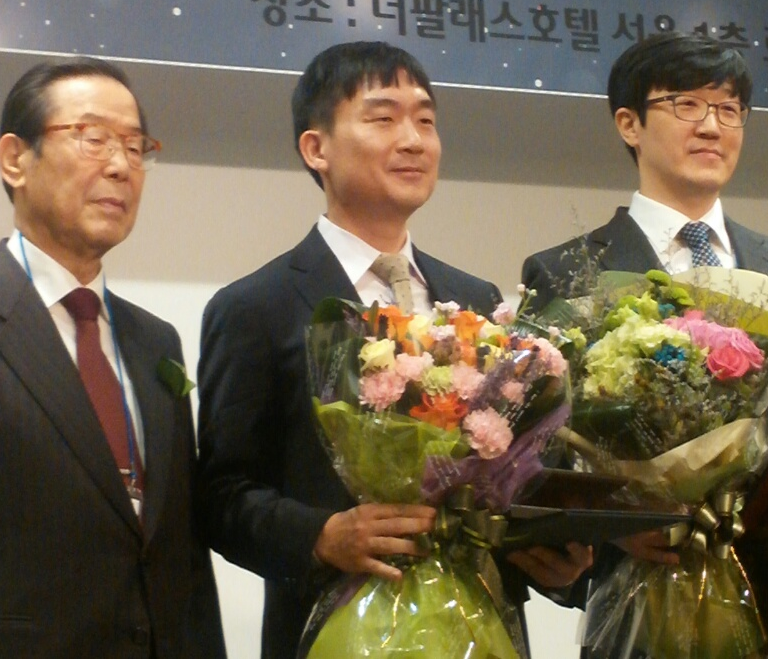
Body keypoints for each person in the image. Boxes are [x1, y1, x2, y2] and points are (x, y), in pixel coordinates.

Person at [195, 40, 592, 657]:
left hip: (483, 632)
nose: (413, 140)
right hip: (332, 634)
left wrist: (555, 562)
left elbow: (515, 477)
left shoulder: (477, 299)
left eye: (426, 121)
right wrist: (323, 535)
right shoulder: (255, 306)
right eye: (383, 118)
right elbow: (222, 495)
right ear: (316, 148)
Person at [521, 31, 768, 657]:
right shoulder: (566, 272)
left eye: (729, 110)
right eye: (686, 105)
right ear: (629, 123)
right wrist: (614, 529)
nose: (712, 126)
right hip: (640, 603)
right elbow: (542, 457)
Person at [0, 57, 226, 658]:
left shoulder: (154, 341)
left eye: (136, 147)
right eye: (93, 138)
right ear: (14, 159)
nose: (120, 166)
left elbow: (182, 556)